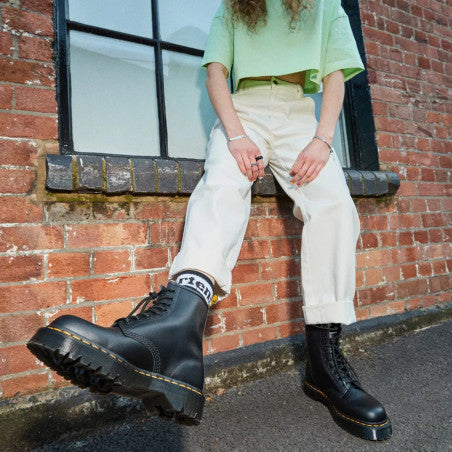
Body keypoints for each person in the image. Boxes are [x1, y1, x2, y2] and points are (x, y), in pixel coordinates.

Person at [27, 0, 392, 441]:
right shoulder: (237, 6)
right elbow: (216, 72)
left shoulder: (325, 5)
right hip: (243, 113)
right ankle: (175, 332)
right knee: (222, 182)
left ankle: (324, 364)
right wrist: (235, 135)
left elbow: (335, 75)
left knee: (335, 205)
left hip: (300, 118)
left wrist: (323, 139)